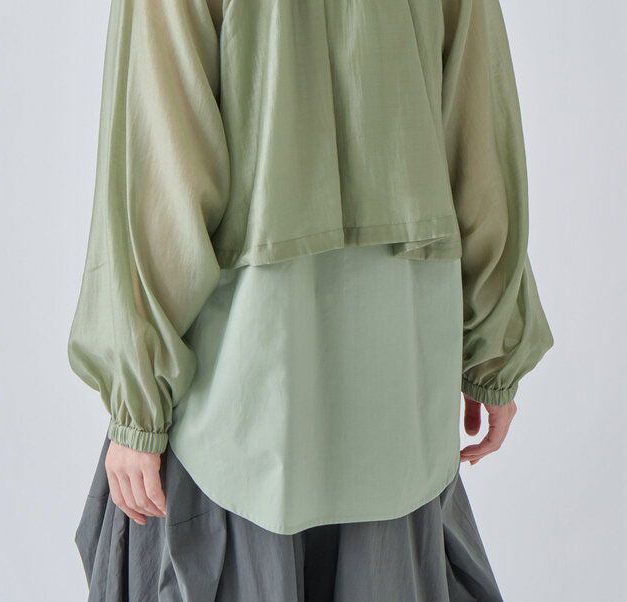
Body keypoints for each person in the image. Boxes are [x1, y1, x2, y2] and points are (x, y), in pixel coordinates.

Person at [67, 0, 554, 600]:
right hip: (398, 380)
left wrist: (137, 408)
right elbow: (479, 130)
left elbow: (162, 167)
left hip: (247, 393)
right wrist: (493, 350)